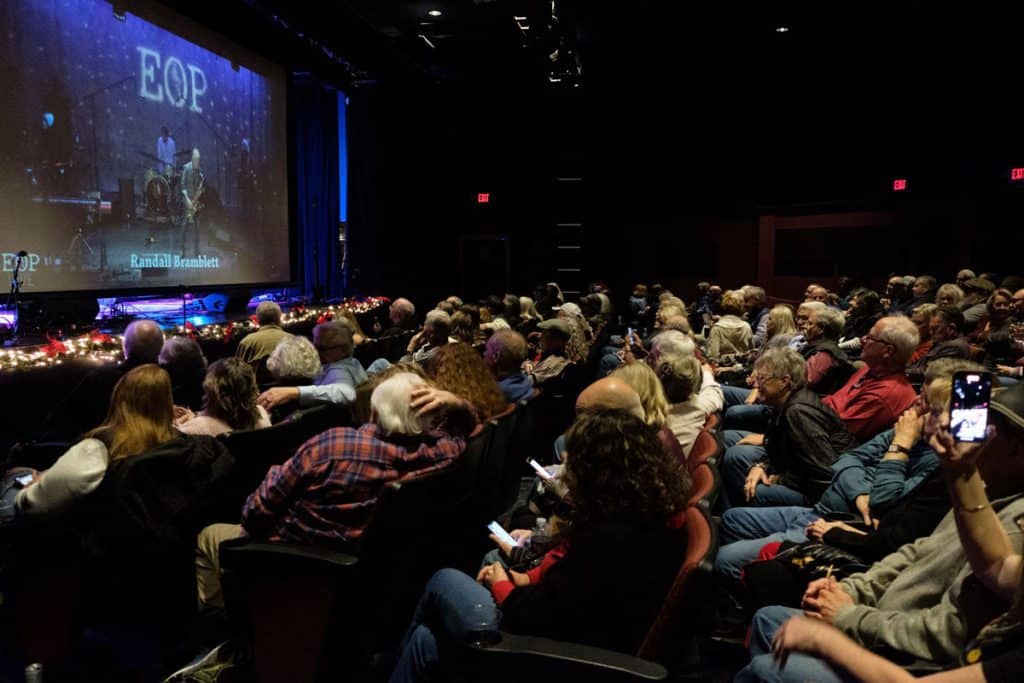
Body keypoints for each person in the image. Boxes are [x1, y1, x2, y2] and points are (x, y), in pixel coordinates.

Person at [735, 380, 1024, 682]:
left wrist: (849, 618)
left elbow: (886, 506)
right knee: (768, 619)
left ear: (1016, 449)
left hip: (903, 656)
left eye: (987, 430)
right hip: (874, 605)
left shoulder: (1005, 517)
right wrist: (853, 590)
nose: (917, 413)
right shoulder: (980, 487)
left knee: (763, 665)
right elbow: (920, 549)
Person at [388, 408, 691, 682]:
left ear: (596, 471)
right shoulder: (649, 512)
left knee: (445, 580)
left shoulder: (611, 537)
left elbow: (535, 617)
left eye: (575, 460)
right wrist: (524, 580)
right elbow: (571, 594)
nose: (568, 466)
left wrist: (502, 584)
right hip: (585, 643)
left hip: (557, 657)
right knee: (426, 640)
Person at [195, 373, 474, 610]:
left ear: (374, 413)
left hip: (292, 557)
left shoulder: (333, 445)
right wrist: (457, 403)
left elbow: (253, 514)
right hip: (373, 575)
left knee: (209, 535)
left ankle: (226, 635)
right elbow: (467, 430)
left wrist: (274, 473)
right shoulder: (438, 454)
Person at [8, 365, 178, 521]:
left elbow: (34, 504)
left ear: (119, 398)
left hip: (95, 542)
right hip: (154, 542)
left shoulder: (98, 448)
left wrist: (28, 490)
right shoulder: (182, 442)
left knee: (14, 477)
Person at [42, 319, 165, 440]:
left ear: (125, 346)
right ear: (161, 347)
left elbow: (63, 415)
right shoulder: (170, 376)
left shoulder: (100, 378)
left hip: (109, 448)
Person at [257, 322, 367, 411]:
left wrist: (293, 392)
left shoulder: (338, 369)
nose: (315, 353)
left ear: (342, 350)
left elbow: (347, 393)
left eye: (321, 348)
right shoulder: (353, 363)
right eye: (314, 346)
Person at [175, 358, 271, 436]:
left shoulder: (193, 430)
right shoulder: (262, 414)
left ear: (210, 392)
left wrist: (178, 425)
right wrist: (196, 417)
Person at [483, 330, 534, 403]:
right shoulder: (527, 382)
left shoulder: (494, 395)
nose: (484, 354)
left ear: (496, 356)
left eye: (487, 350)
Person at [235, 301, 291, 368]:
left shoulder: (246, 342)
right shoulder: (293, 341)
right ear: (279, 319)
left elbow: (237, 372)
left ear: (257, 320)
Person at [180, 148, 204, 255]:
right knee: (184, 226)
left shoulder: (199, 170)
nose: (197, 161)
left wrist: (201, 190)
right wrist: (188, 200)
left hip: (195, 201)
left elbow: (201, 187)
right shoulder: (186, 168)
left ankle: (197, 250)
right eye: (195, 159)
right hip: (187, 200)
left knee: (198, 227)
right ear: (192, 158)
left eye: (198, 159)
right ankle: (181, 249)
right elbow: (182, 186)